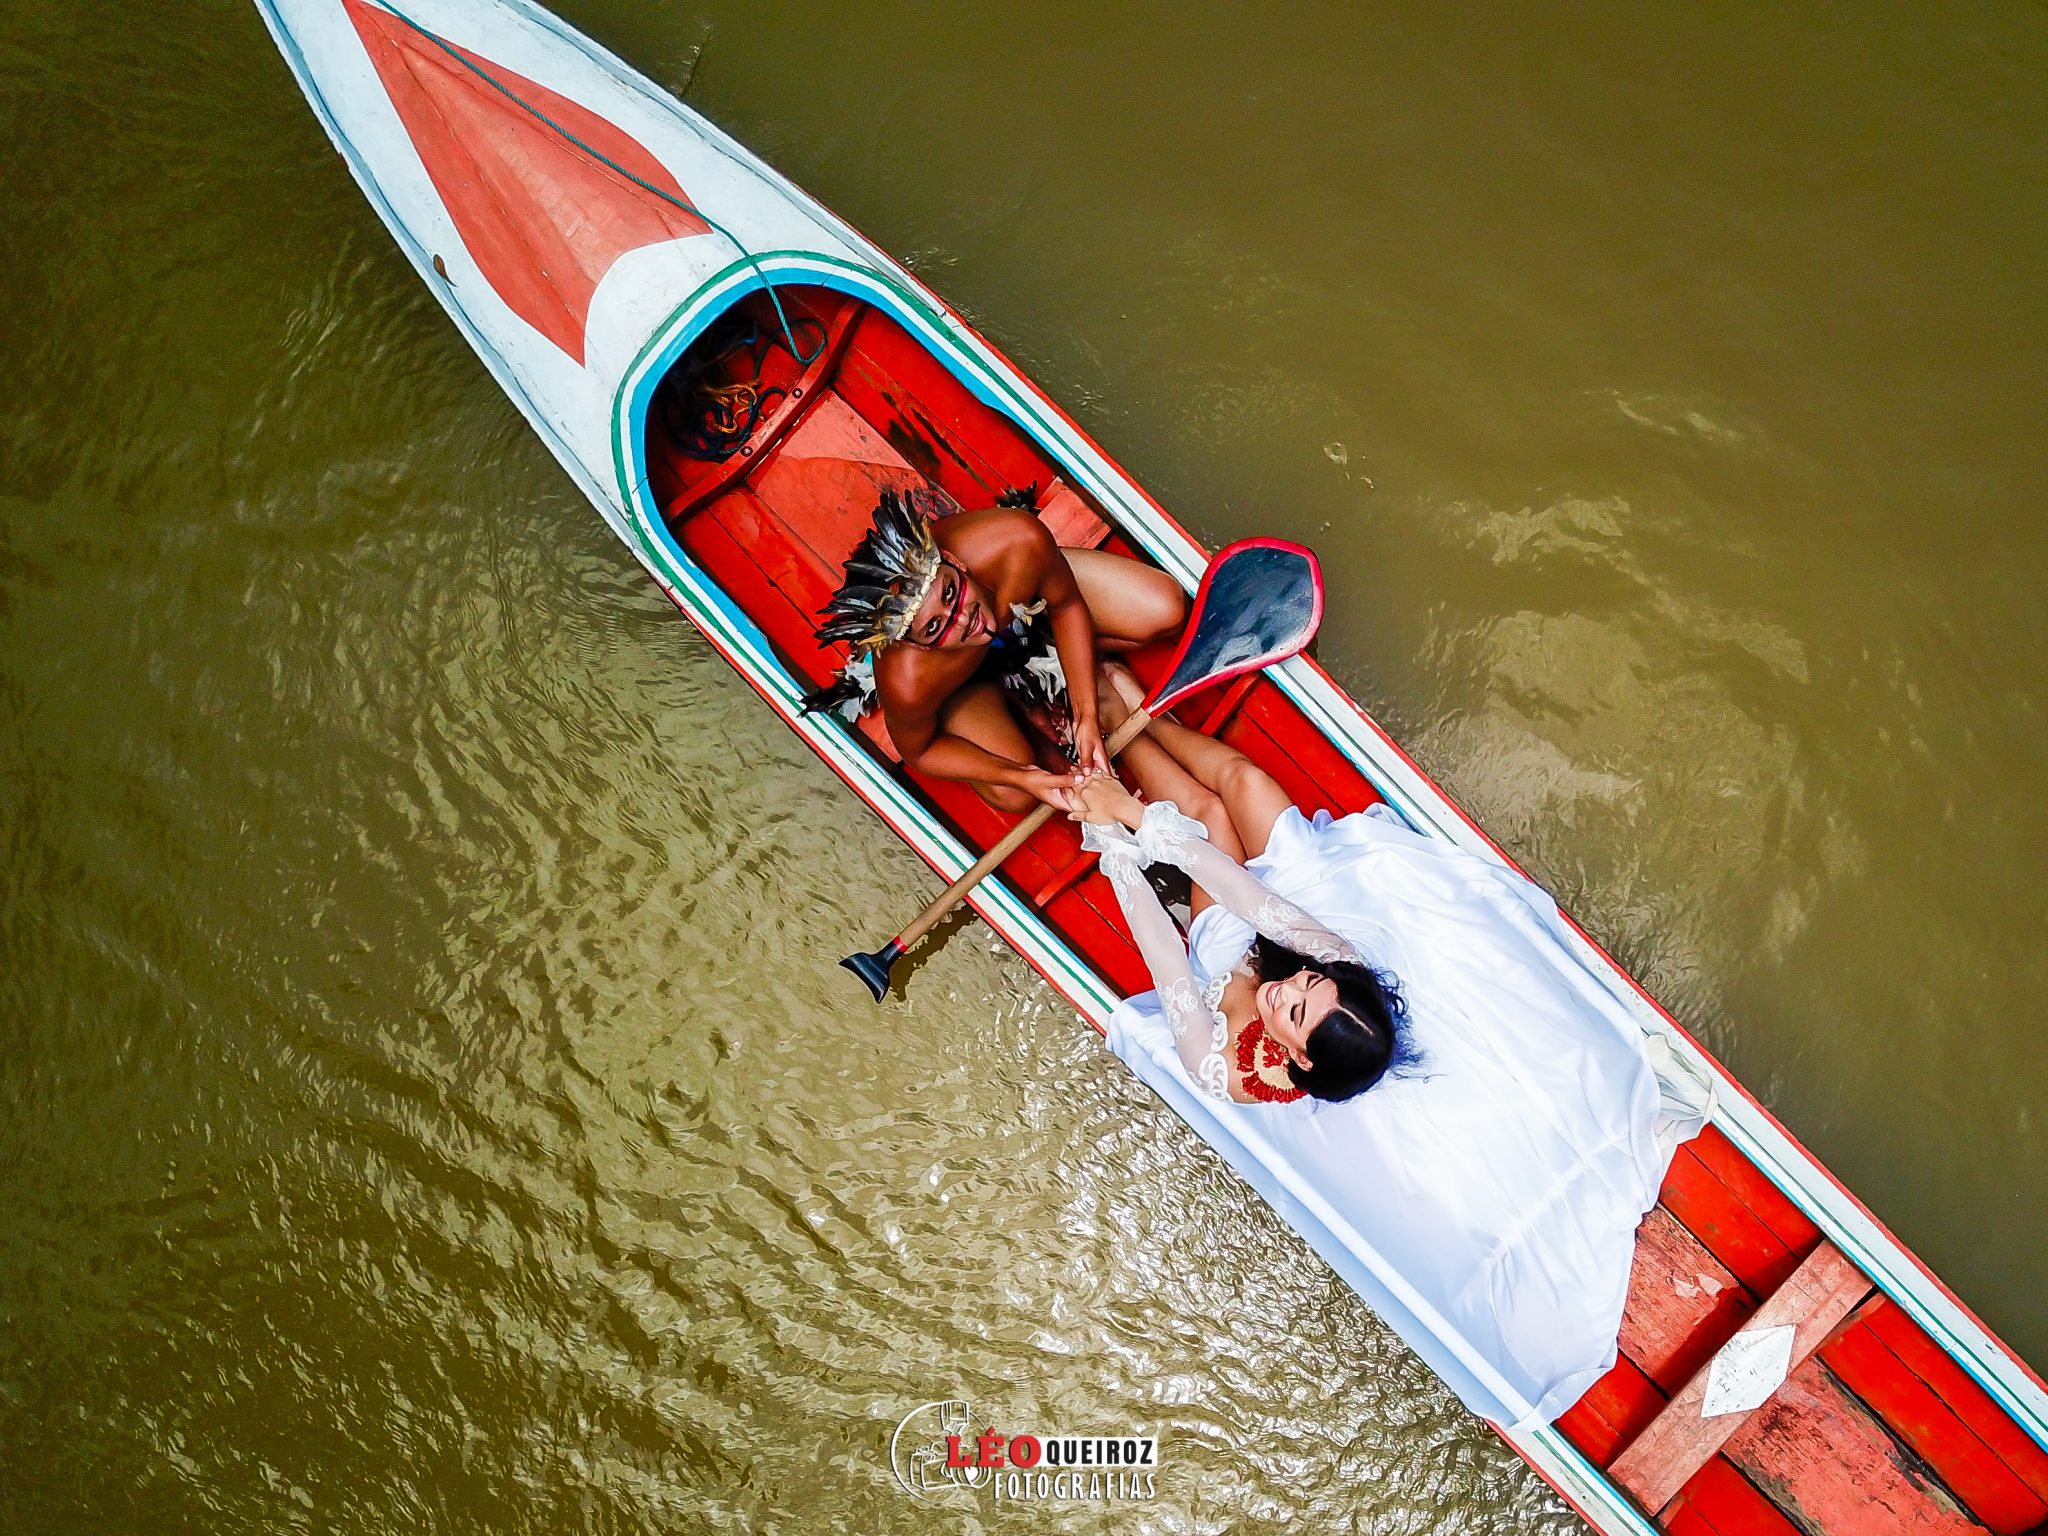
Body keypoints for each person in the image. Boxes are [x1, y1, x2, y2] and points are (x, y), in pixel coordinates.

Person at [1066, 664, 1704, 1426]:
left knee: (1204, 811)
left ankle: (1106, 732)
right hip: (1270, 918)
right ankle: (1140, 713)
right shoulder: (1327, 959)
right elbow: (1252, 898)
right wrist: (1134, 816)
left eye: (1294, 1010)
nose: (1284, 992)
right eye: (1307, 987)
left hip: (1221, 945)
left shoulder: (1219, 1069)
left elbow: (1162, 953)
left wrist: (1115, 843)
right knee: (1241, 783)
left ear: (1298, 1060)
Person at [803, 489, 1184, 813]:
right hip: (969, 686)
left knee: (1164, 609)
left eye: (951, 593)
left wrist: (1086, 716)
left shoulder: (1014, 540)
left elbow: (1066, 605)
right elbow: (922, 752)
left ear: (954, 562)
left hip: (1035, 614)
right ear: (911, 644)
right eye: (934, 628)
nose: (962, 620)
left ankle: (1056, 674)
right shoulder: (909, 681)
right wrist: (1021, 775)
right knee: (1013, 796)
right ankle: (1021, 706)